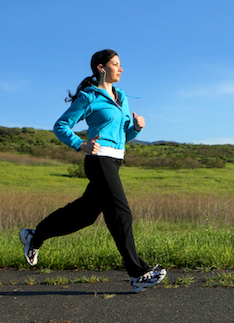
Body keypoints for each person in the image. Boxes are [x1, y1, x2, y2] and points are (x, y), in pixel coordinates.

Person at [19, 49, 166, 293]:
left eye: (120, 65)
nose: (121, 69)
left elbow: (123, 136)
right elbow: (61, 126)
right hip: (99, 160)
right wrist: (81, 144)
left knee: (85, 215)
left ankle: (35, 236)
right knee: (121, 214)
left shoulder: (121, 97)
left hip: (115, 160)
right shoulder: (89, 97)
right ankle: (138, 274)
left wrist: (137, 129)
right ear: (101, 67)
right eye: (115, 64)